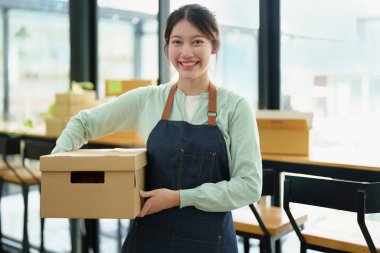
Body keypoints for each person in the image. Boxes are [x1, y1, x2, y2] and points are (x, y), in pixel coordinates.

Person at [52, 4, 262, 253]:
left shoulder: (236, 107)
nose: (186, 52)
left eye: (197, 42)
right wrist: (57, 169)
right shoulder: (147, 100)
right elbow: (83, 123)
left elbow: (249, 186)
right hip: (149, 239)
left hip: (209, 242)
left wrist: (179, 197)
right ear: (167, 46)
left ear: (213, 45)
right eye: (176, 42)